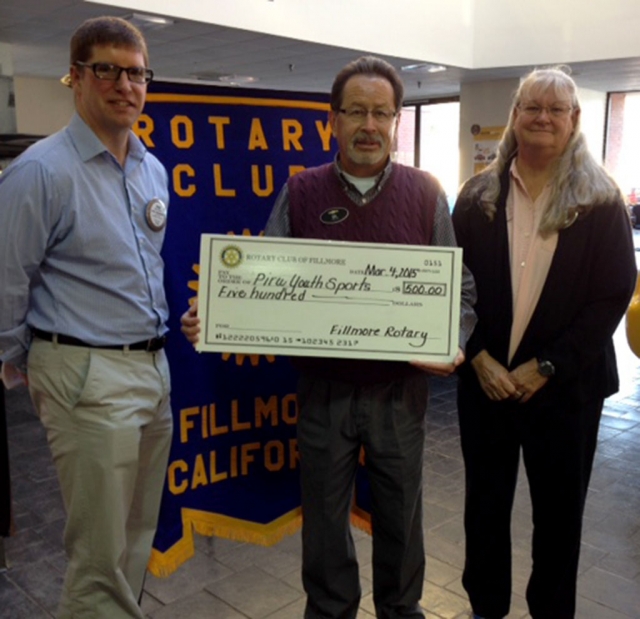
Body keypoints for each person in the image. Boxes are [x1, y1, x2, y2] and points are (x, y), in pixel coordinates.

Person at [182, 55, 477, 618]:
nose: (370, 125)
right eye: (357, 111)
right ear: (333, 120)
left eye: (382, 113)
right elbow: (261, 280)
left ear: (395, 120)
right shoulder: (301, 191)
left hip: (400, 392)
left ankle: (401, 609)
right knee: (323, 519)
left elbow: (459, 287)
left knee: (401, 516)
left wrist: (452, 339)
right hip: (322, 391)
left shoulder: (425, 192)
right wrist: (218, 314)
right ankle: (330, 612)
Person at [0, 16, 172, 619]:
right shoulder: (41, 172)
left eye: (136, 73)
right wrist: (28, 361)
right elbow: (6, 279)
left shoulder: (151, 170)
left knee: (132, 539)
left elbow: (140, 272)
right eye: (107, 70)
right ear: (75, 78)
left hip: (152, 371)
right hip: (84, 374)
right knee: (98, 560)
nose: (124, 85)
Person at [451, 67, 636, 619]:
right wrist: (478, 358)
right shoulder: (477, 196)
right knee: (483, 508)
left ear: (575, 120)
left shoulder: (601, 200)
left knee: (559, 517)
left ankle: (551, 611)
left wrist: (547, 366)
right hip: (486, 384)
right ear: (515, 115)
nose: (544, 118)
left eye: (557, 110)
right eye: (533, 107)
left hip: (566, 390)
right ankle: (486, 607)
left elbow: (610, 297)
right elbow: (453, 285)